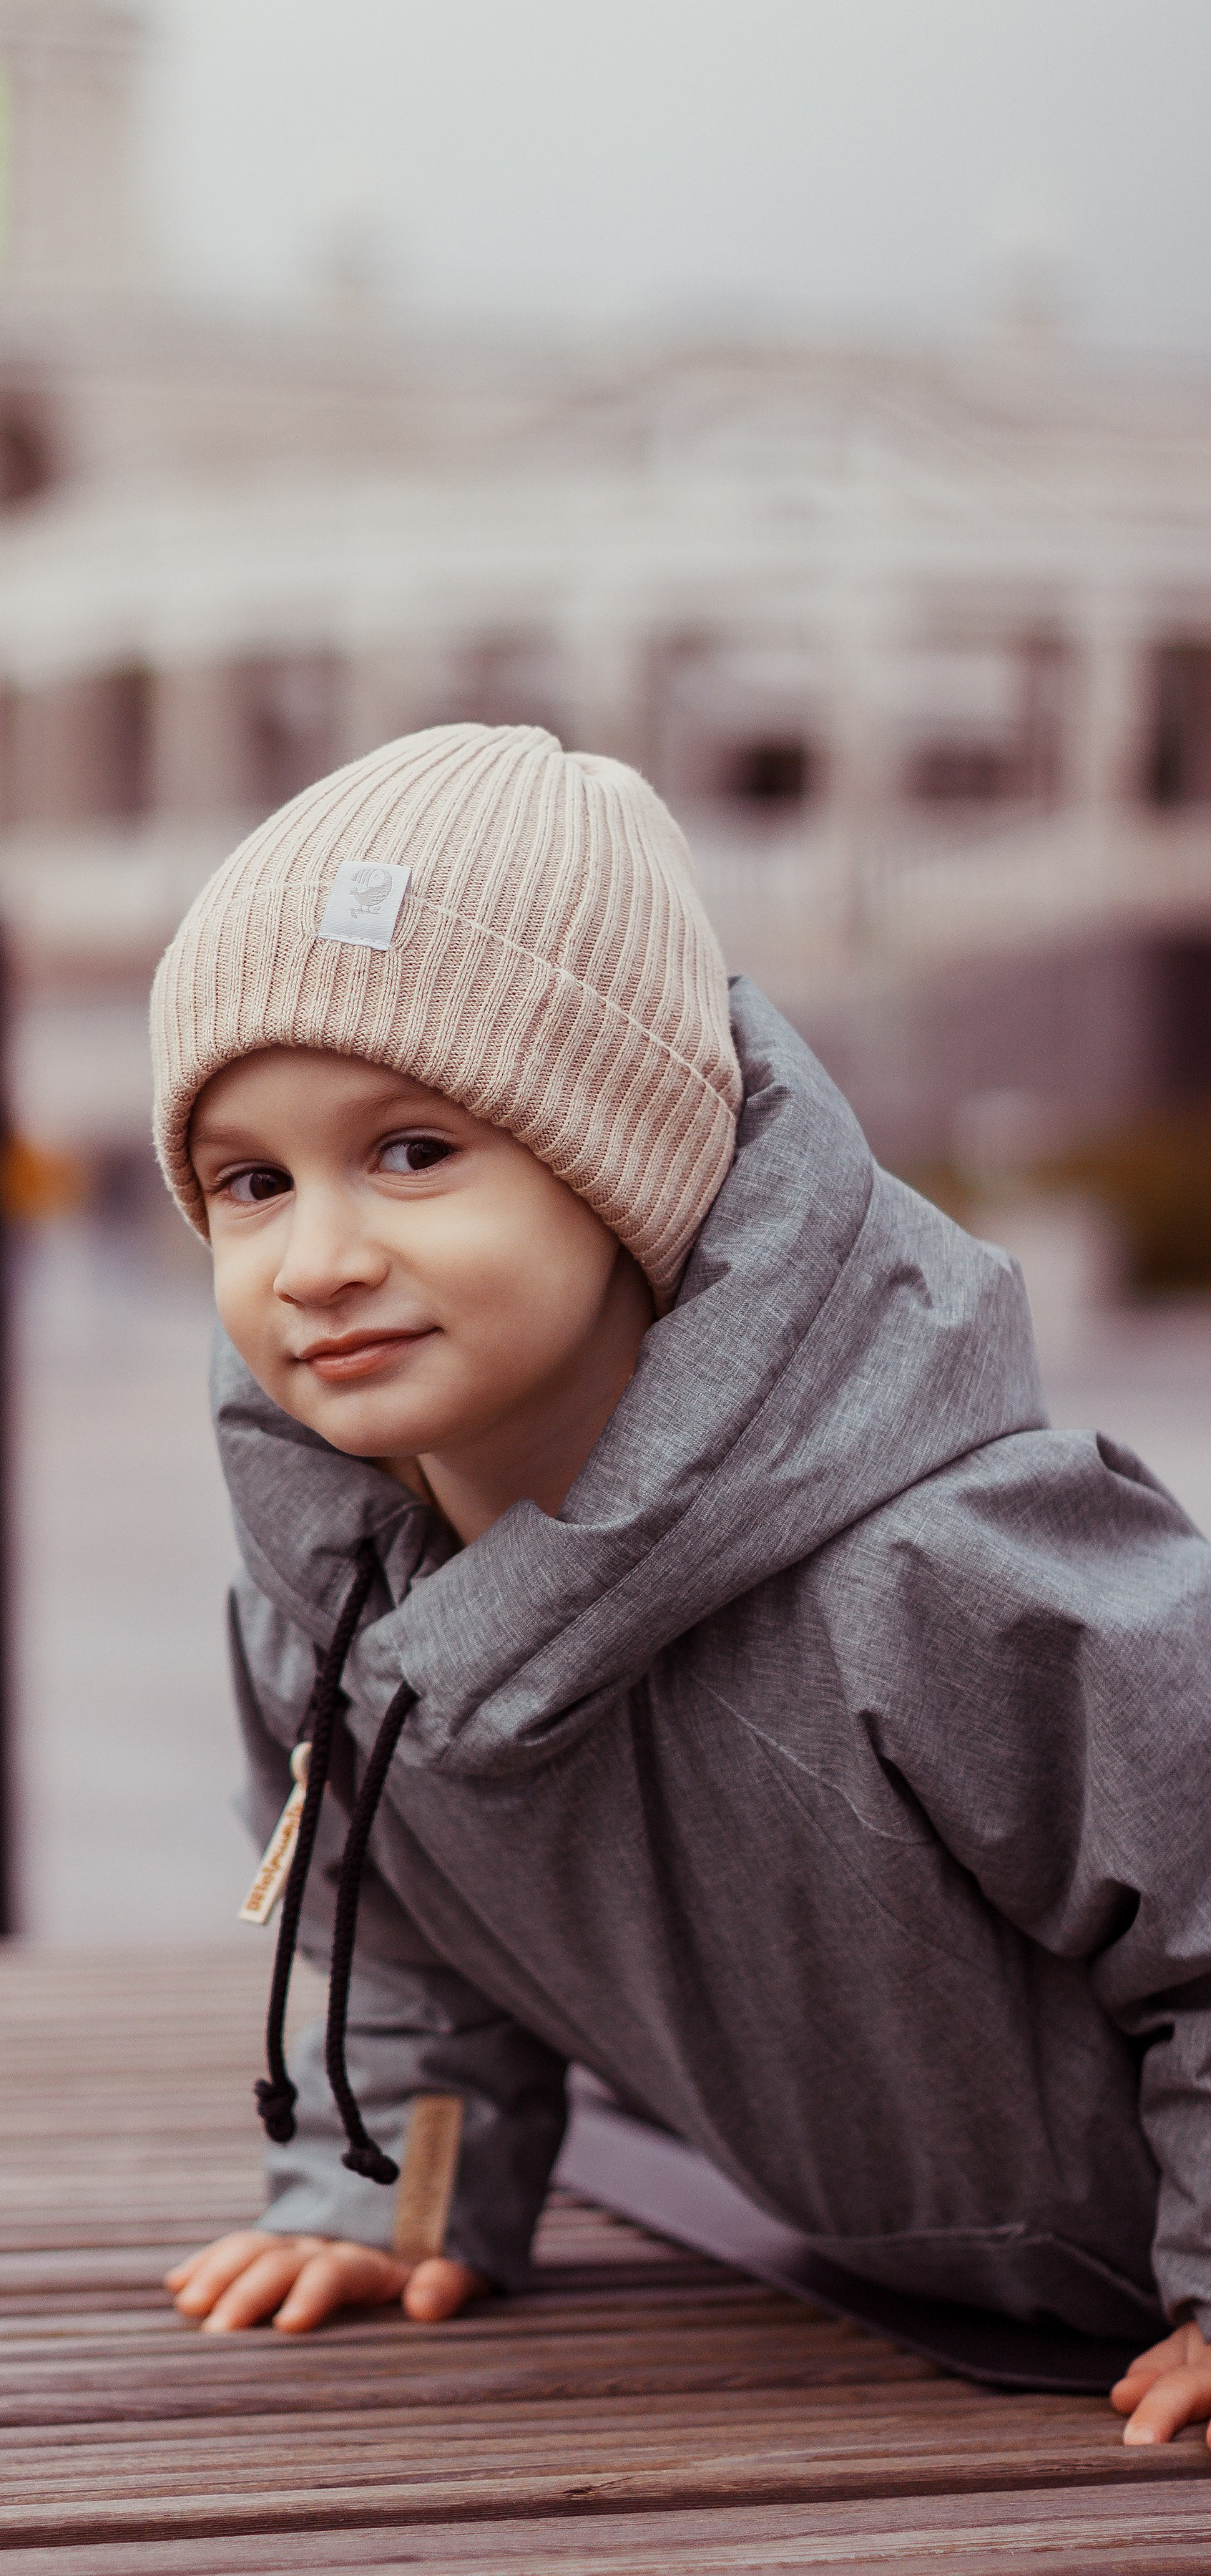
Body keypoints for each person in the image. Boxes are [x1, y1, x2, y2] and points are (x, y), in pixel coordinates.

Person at [147, 721, 1211, 2449]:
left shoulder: (954, 1566)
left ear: (627, 1164)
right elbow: (403, 1939)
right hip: (912, 2317)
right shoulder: (332, 1610)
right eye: (250, 1183)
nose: (320, 1259)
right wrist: (388, 2204)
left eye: (414, 1151)